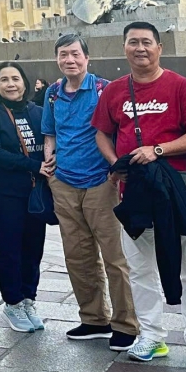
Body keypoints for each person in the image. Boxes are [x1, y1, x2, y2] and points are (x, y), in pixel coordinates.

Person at [93, 21, 186, 369]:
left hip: (177, 191)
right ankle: (151, 335)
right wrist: (115, 163)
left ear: (159, 48)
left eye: (147, 42)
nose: (140, 48)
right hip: (135, 192)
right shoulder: (115, 90)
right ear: (125, 48)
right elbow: (101, 132)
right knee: (139, 268)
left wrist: (158, 150)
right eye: (133, 42)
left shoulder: (179, 86)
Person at [40, 34, 136, 349]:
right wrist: (49, 162)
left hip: (101, 182)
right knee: (78, 256)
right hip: (64, 183)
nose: (69, 60)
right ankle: (94, 319)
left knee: (114, 257)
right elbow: (50, 133)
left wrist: (116, 169)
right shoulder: (53, 93)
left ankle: (125, 324)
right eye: (63, 54)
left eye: (75, 54)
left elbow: (119, 130)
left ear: (87, 58)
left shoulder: (105, 89)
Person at [0, 62, 49, 332]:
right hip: (7, 191)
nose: (10, 84)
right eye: (4, 80)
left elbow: (50, 143)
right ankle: (12, 302)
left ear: (25, 82)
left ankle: (29, 298)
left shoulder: (39, 112)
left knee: (34, 247)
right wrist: (34, 166)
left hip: (36, 191)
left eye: (15, 78)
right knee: (9, 247)